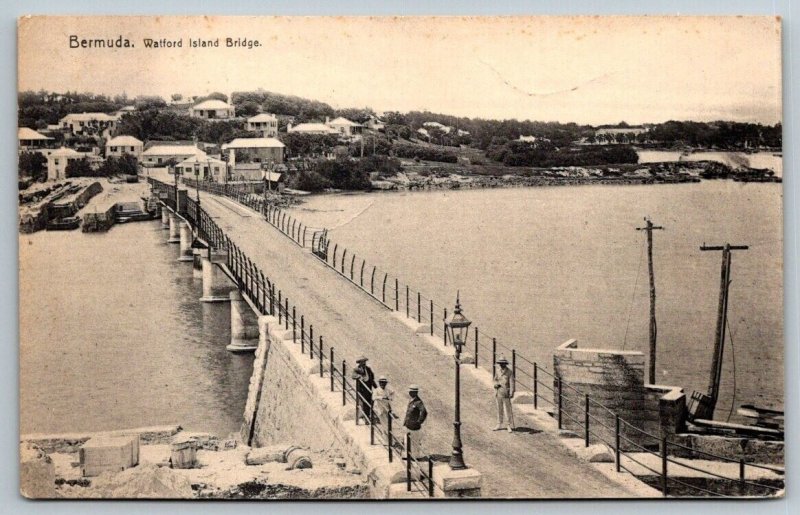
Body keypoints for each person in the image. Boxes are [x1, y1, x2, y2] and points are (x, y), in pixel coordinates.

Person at [403, 385, 428, 459]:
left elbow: (424, 412)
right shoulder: (411, 400)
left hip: (414, 426)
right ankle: (407, 455)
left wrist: (419, 421)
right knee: (406, 441)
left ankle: (415, 457)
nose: (409, 393)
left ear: (415, 392)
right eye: (409, 392)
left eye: (411, 392)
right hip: (408, 424)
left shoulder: (418, 402)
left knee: (415, 442)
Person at [351, 355, 377, 423]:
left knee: (370, 402)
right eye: (362, 362)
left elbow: (372, 379)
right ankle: (366, 418)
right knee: (365, 403)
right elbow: (353, 376)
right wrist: (359, 376)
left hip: (369, 388)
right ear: (359, 363)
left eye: (365, 361)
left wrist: (376, 387)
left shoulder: (368, 369)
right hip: (362, 389)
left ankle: (368, 416)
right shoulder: (356, 369)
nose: (364, 363)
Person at [493, 355, 515, 432]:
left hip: (506, 393)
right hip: (498, 392)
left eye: (503, 363)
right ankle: (499, 423)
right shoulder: (497, 371)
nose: (501, 365)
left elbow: (512, 383)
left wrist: (512, 392)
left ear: (505, 364)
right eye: (500, 363)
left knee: (507, 409)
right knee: (499, 409)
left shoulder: (509, 372)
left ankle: (508, 425)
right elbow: (495, 379)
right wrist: (495, 384)